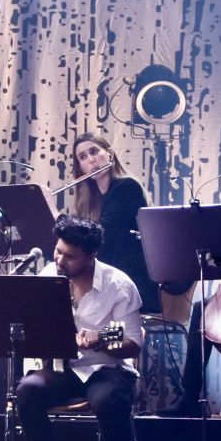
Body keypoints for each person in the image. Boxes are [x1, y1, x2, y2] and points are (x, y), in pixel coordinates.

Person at [16, 217, 144, 441]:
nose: (59, 260)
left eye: (69, 256)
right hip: (63, 369)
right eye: (58, 251)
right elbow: (32, 327)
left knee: (109, 399)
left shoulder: (119, 285)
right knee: (27, 391)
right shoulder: (48, 275)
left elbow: (133, 343)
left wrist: (101, 341)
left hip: (106, 369)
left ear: (91, 256)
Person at [67, 133, 155, 312]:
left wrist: (53, 214)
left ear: (109, 154)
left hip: (130, 283)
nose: (91, 160)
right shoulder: (90, 202)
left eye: (94, 151)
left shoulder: (127, 188)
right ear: (81, 168)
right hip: (105, 283)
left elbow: (101, 235)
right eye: (83, 157)